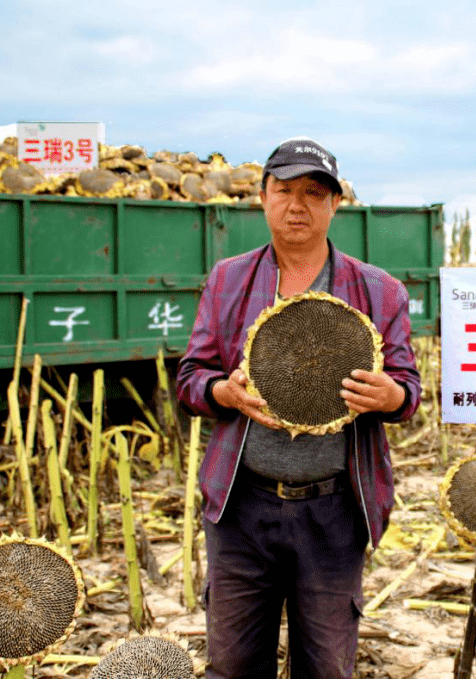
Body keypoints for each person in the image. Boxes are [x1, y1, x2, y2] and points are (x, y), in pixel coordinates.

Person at [177, 137, 421, 679]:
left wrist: (390, 396)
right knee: (234, 665)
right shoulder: (229, 281)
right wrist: (226, 393)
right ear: (262, 197)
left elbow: (409, 390)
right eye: (284, 190)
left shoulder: (379, 292)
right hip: (241, 509)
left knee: (328, 667)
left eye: (314, 193)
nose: (297, 205)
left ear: (335, 203)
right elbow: (190, 380)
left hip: (333, 512)